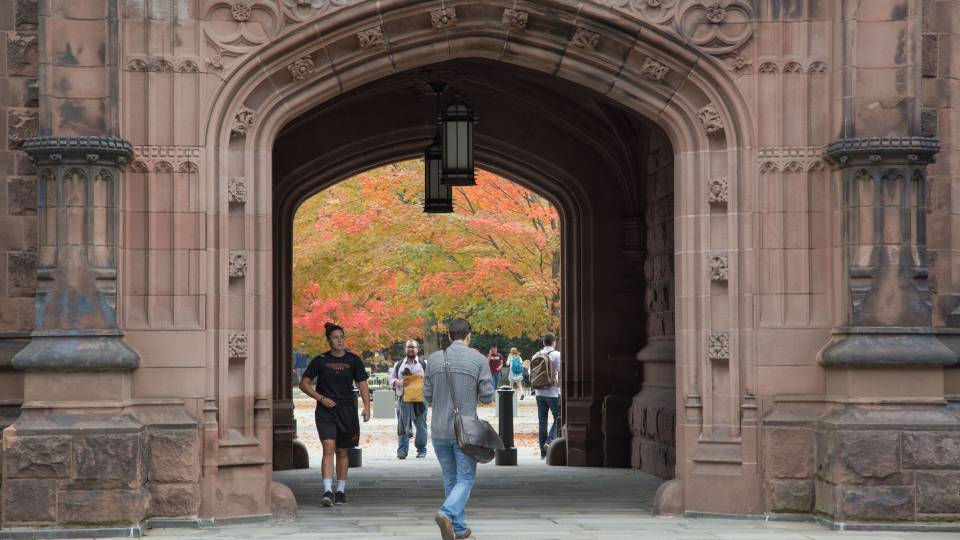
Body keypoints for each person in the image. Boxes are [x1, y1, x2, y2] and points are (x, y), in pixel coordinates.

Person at [423, 318, 495, 540]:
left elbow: (427, 395)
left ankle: (459, 527)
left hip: (439, 429)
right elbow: (487, 396)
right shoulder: (478, 359)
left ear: (449, 336)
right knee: (465, 478)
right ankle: (446, 512)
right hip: (466, 431)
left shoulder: (434, 359)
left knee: (450, 478)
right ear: (469, 336)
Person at [299, 322, 371, 507]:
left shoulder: (354, 360)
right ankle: (327, 491)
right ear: (329, 340)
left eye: (341, 337)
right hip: (326, 411)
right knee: (329, 447)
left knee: (342, 450)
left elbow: (362, 384)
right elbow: (304, 383)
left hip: (347, 411)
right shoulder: (320, 360)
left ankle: (340, 491)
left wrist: (367, 407)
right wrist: (321, 398)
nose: (339, 340)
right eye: (335, 338)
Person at [389, 339, 429, 459]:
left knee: (421, 426)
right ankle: (402, 450)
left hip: (420, 400)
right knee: (402, 425)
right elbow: (391, 379)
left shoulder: (424, 364)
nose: (411, 349)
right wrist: (398, 382)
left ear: (417, 349)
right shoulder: (399, 364)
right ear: (405, 349)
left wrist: (422, 379)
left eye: (413, 347)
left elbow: (431, 379)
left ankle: (421, 450)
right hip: (403, 400)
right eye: (408, 347)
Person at [534, 332, 561, 459]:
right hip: (553, 392)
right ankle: (549, 441)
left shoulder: (536, 355)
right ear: (554, 342)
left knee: (542, 422)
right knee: (559, 417)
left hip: (539, 392)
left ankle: (542, 452)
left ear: (543, 342)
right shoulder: (556, 355)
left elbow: (531, 372)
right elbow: (561, 372)